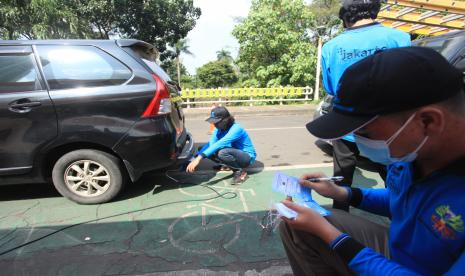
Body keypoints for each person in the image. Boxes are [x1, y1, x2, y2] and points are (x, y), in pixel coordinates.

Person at [279, 47, 465, 275]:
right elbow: (401, 197)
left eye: (365, 133)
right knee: (298, 226)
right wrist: (341, 193)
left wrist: (332, 237)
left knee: (319, 227)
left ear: (428, 121)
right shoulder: (416, 151)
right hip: (399, 250)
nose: (358, 142)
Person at [321, 0, 411, 211]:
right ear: (375, 11)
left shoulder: (331, 47)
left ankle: (339, 223)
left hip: (346, 124)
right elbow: (409, 82)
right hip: (389, 127)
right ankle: (399, 220)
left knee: (341, 178)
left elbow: (331, 87)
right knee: (395, 179)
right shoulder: (399, 38)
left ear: (344, 18)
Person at [186, 106, 256, 184]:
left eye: (216, 122)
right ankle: (226, 165)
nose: (214, 124)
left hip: (246, 158)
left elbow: (219, 144)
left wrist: (199, 158)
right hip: (233, 153)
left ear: (225, 120)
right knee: (202, 148)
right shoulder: (218, 129)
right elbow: (211, 144)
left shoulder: (236, 129)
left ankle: (240, 172)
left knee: (222, 152)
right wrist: (193, 159)